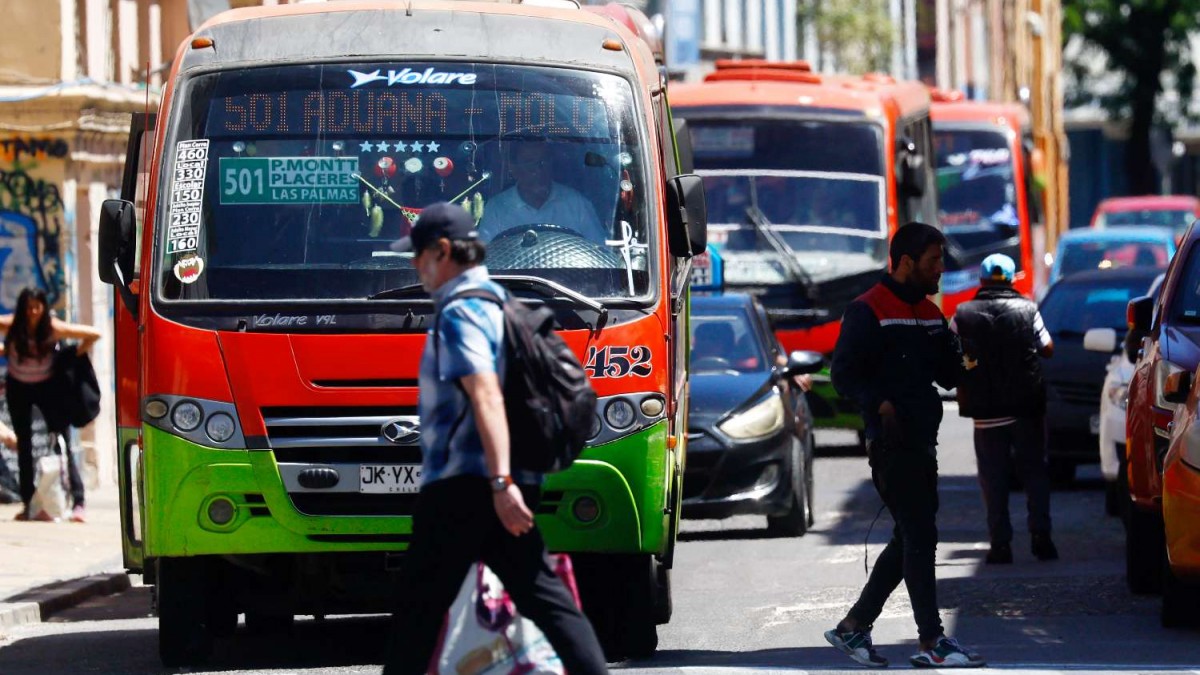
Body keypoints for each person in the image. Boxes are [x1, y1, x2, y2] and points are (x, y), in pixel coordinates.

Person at [383, 202, 607, 675]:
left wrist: (500, 484)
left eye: (419, 256)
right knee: (545, 597)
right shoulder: (501, 303)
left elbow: (485, 394)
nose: (416, 267)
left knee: (416, 612)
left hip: (466, 486)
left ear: (442, 252)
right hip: (498, 481)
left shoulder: (461, 311)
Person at [826, 222, 984, 669]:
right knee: (920, 535)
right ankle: (933, 639)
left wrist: (969, 354)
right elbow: (844, 375)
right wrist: (880, 404)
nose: (941, 269)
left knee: (911, 537)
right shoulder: (867, 309)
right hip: (892, 447)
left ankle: (853, 628)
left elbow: (949, 374)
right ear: (907, 262)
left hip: (923, 441)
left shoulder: (931, 314)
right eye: (934, 261)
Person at [951, 253, 1058, 564]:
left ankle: (1000, 545)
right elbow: (1047, 348)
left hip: (985, 411)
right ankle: (1042, 539)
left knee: (993, 478)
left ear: (982, 280)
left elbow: (951, 351)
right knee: (1034, 472)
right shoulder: (1028, 309)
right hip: (1026, 408)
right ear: (1011, 280)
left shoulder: (963, 314)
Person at [0, 287, 100, 522]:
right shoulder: (13, 326)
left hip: (48, 388)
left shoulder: (53, 328)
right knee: (24, 445)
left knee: (62, 439)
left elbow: (93, 334)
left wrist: (73, 353)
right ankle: (29, 505)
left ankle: (78, 502)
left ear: (44, 307)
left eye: (37, 306)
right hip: (19, 389)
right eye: (28, 307)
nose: (33, 312)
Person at [477, 142, 608, 245]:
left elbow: (601, 251)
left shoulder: (577, 204)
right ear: (514, 168)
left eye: (543, 162)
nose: (539, 170)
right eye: (530, 164)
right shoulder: (496, 208)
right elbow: (484, 259)